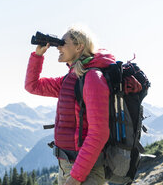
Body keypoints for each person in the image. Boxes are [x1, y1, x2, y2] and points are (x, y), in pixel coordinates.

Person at [25, 27, 115, 185]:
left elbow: (99, 133)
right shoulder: (70, 79)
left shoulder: (93, 78)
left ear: (79, 47)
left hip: (85, 172)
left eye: (63, 43)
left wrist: (75, 178)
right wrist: (37, 56)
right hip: (66, 167)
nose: (58, 47)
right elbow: (32, 86)